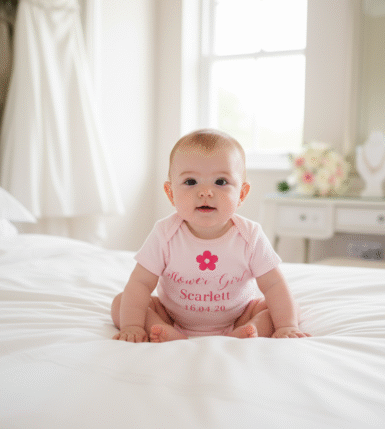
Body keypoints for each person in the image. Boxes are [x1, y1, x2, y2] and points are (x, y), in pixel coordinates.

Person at [111, 129, 310, 342]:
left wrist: (286, 326)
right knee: (121, 303)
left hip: (239, 317)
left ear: (241, 193)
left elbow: (274, 285)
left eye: (221, 182)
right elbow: (140, 283)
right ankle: (162, 329)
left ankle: (249, 329)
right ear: (170, 194)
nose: (205, 192)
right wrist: (132, 326)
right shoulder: (164, 234)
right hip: (171, 317)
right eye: (190, 182)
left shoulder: (250, 235)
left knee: (287, 308)